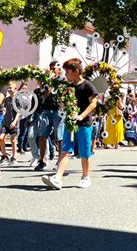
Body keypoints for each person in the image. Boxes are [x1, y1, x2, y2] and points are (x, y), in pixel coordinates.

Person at [42, 58, 98, 190]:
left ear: (76, 71)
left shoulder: (88, 85)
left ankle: (85, 177)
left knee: (84, 152)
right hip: (70, 123)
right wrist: (62, 103)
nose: (65, 74)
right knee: (65, 150)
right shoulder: (68, 86)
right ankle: (58, 178)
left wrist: (81, 116)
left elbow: (93, 104)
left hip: (84, 124)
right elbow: (64, 104)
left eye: (67, 72)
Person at [0, 81, 20, 165]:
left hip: (14, 123)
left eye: (10, 88)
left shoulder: (17, 99)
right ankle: (4, 156)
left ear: (15, 89)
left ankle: (14, 157)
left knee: (13, 140)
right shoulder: (6, 99)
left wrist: (14, 121)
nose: (9, 89)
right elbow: (4, 109)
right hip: (6, 123)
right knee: (1, 138)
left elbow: (19, 111)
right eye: (8, 88)